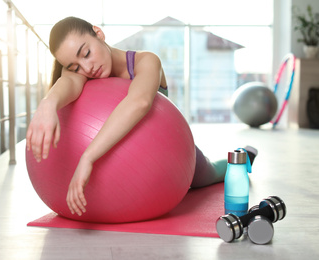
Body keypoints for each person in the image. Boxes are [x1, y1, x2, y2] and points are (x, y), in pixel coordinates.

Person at [26, 17, 257, 217]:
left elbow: (139, 102)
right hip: (119, 166)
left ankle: (242, 157)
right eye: (74, 66)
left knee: (206, 175)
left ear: (99, 33)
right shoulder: (79, 71)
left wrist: (87, 157)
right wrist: (48, 104)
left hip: (169, 152)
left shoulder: (146, 61)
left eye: (86, 53)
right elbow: (67, 83)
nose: (86, 68)